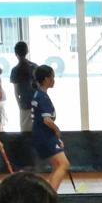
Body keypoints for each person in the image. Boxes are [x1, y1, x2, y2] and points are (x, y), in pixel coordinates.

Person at [29, 64, 71, 194]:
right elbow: (47, 120)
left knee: (57, 165)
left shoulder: (38, 94)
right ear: (47, 79)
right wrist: (57, 131)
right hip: (45, 136)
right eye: (53, 77)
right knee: (64, 164)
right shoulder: (42, 97)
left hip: (42, 136)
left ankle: (45, 193)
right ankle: (51, 196)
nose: (54, 80)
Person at [9, 41, 38, 133]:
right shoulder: (35, 66)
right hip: (37, 102)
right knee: (38, 129)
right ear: (27, 51)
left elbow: (16, 91)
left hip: (24, 103)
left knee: (25, 132)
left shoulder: (15, 70)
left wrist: (19, 105)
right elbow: (40, 86)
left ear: (16, 54)